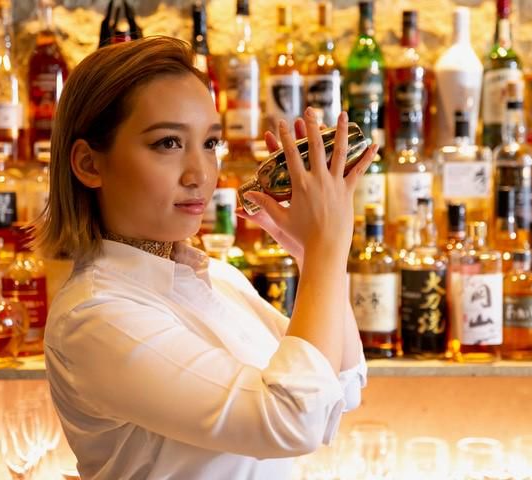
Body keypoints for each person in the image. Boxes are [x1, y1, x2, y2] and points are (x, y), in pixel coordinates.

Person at [37, 36, 376, 480]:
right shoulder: (95, 316)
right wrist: (327, 250)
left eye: (210, 143)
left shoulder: (218, 277)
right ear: (88, 164)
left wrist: (313, 254)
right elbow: (294, 421)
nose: (200, 174)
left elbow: (340, 387)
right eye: (168, 143)